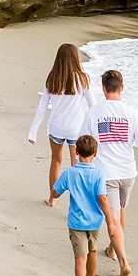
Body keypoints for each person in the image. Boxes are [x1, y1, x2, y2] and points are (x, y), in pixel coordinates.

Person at [79, 69, 138, 276]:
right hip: (128, 173)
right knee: (119, 212)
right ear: (122, 88)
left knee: (112, 220)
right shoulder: (132, 114)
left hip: (106, 174)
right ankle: (112, 249)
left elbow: (82, 141)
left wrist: (80, 167)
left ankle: (124, 263)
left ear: (102, 89)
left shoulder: (94, 113)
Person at [51, 134, 117, 276]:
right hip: (95, 222)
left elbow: (56, 192)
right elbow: (103, 199)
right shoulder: (99, 174)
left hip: (76, 222)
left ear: (77, 151)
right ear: (95, 153)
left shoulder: (70, 173)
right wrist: (111, 223)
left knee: (80, 259)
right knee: (93, 253)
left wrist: (54, 193)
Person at [28, 43, 95, 207]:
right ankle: (77, 202)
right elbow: (93, 106)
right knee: (76, 164)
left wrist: (33, 131)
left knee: (56, 161)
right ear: (75, 58)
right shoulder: (82, 78)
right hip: (76, 130)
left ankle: (52, 199)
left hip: (56, 128)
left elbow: (42, 107)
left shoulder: (52, 78)